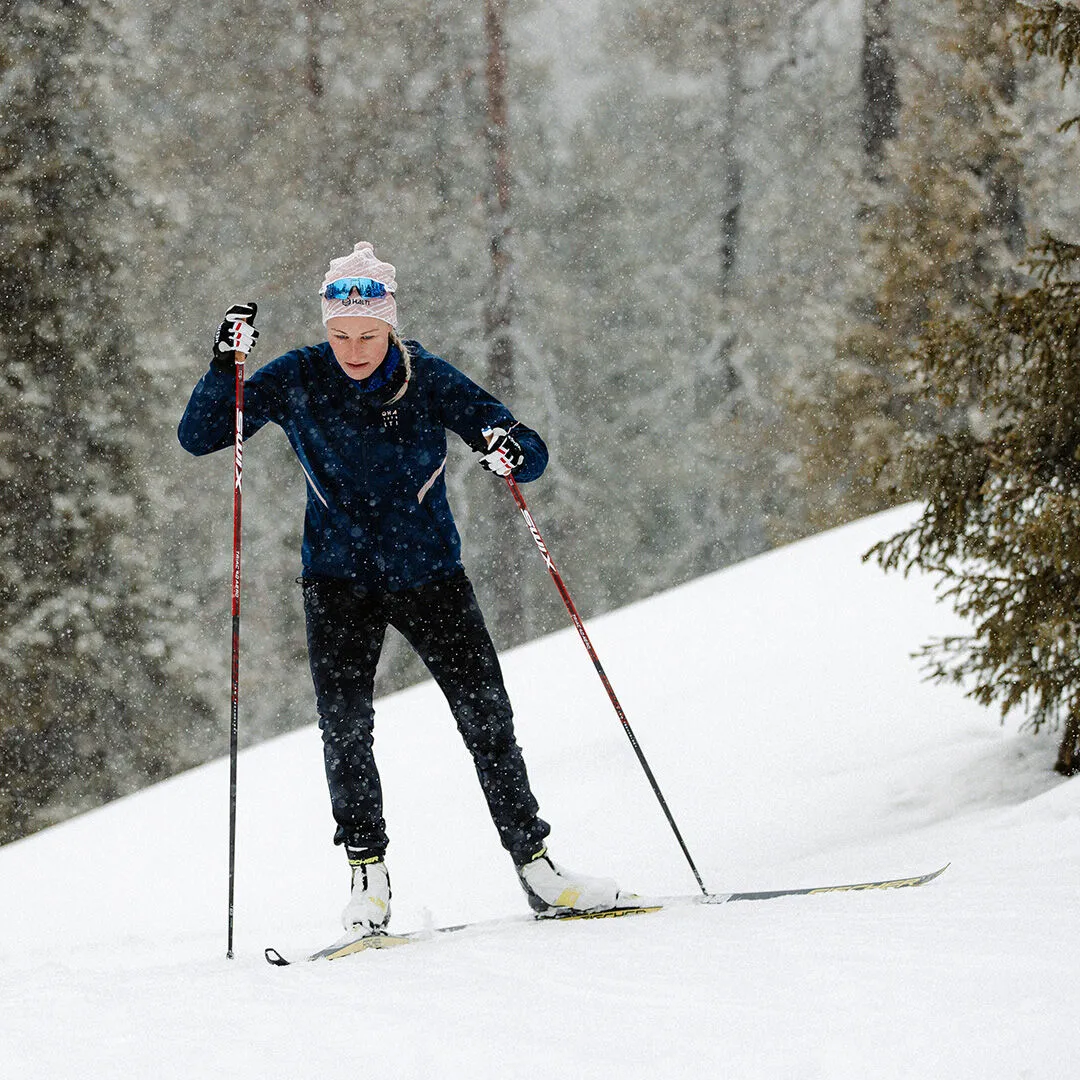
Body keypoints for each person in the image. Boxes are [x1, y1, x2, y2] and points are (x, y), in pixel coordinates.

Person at [178, 241, 628, 933]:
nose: (354, 348)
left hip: (430, 576)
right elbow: (203, 434)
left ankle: (537, 867)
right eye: (340, 335)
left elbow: (521, 444)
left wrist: (509, 448)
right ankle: (368, 878)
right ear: (325, 329)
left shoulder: (425, 376)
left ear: (390, 325)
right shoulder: (299, 376)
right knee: (346, 730)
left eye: (367, 334)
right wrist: (223, 366)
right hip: (337, 583)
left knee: (488, 721)